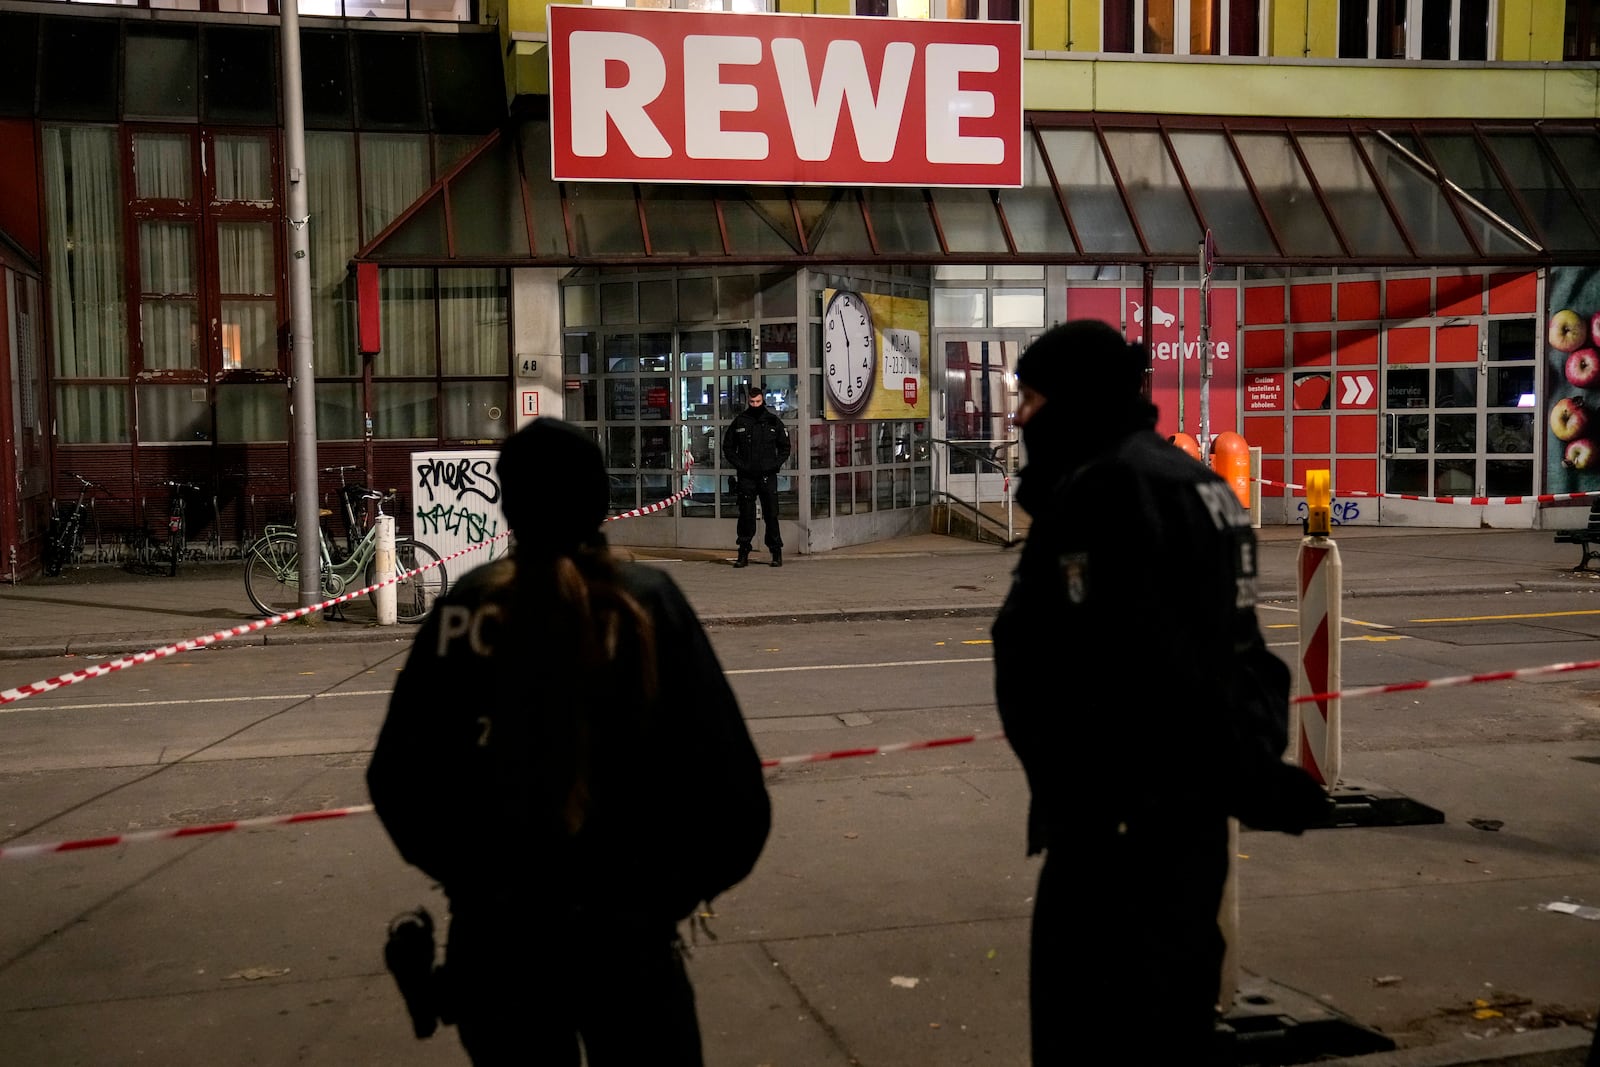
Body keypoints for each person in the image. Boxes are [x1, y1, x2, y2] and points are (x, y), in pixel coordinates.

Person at [368, 417, 771, 1066]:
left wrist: (475, 882)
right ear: (600, 501)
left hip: (499, 950)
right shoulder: (649, 605)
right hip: (629, 949)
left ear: (507, 502)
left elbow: (396, 778)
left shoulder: (464, 609)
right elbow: (738, 796)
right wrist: (661, 897)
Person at [990, 320, 1330, 1065]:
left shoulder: (1102, 492)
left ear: (1074, 400)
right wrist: (1248, 774)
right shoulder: (1201, 486)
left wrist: (1084, 784)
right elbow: (1240, 660)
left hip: (1112, 847)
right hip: (1184, 842)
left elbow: (1105, 667)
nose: (1019, 418)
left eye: (1032, 397)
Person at [721, 382, 792, 568]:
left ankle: (776, 553)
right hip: (747, 477)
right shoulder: (740, 421)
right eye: (752, 401)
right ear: (748, 401)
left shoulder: (772, 422)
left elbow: (785, 447)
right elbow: (728, 447)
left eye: (758, 401)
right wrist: (741, 465)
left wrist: (774, 465)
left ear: (763, 400)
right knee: (746, 515)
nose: (755, 404)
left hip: (768, 477)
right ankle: (743, 553)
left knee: (771, 515)